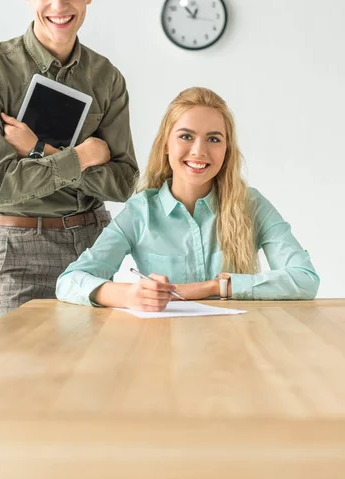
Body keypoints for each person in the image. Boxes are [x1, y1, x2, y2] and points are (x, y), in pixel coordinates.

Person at [0, 0, 138, 316]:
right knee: (26, 371)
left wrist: (42, 152)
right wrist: (84, 157)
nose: (59, 5)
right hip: (23, 246)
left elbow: (124, 182)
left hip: (94, 245)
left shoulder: (106, 78)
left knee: (96, 371)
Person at [56, 87, 319, 311]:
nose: (199, 151)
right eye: (186, 136)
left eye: (214, 139)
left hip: (236, 346)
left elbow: (305, 279)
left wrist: (214, 287)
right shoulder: (141, 211)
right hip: (164, 347)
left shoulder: (251, 204)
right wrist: (128, 294)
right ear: (166, 144)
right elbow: (69, 281)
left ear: (226, 150)